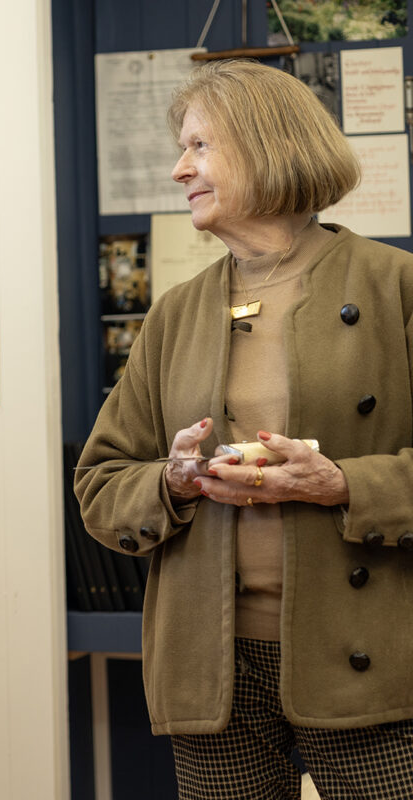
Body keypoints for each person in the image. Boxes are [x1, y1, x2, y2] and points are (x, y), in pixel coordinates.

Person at [75, 59, 413, 799]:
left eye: (199, 147)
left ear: (268, 146)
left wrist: (342, 484)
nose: (179, 170)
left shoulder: (396, 285)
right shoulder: (176, 312)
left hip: (372, 659)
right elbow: (101, 482)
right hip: (212, 668)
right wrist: (172, 481)